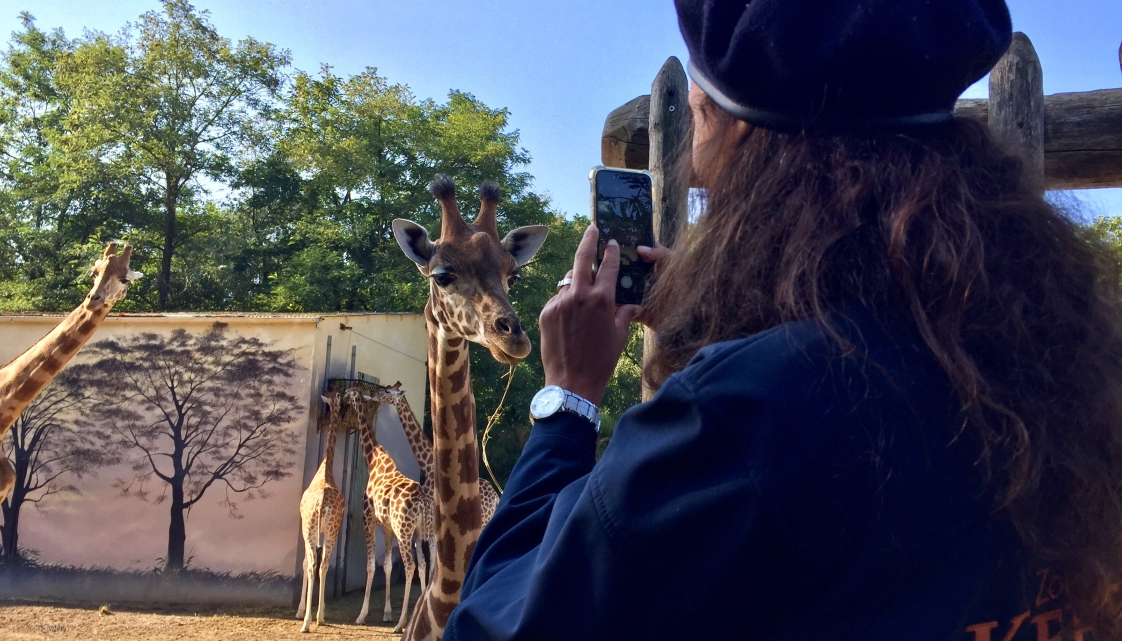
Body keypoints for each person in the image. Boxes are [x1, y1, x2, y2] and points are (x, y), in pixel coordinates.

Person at [446, 1, 1122, 639]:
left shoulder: (737, 419)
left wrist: (568, 397)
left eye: (702, 115)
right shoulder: (1070, 370)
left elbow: (490, 619)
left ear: (744, 132)